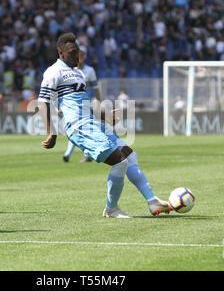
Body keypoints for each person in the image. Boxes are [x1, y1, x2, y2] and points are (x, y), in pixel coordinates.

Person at [38, 33, 171, 218]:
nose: (77, 57)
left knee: (130, 156)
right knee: (120, 161)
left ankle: (152, 200)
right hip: (79, 128)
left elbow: (83, 105)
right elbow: (42, 102)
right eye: (72, 52)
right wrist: (51, 132)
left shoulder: (79, 74)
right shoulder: (53, 72)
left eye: (78, 52)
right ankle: (112, 209)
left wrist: (104, 115)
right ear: (61, 53)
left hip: (91, 123)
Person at [62, 45, 100, 163]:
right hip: (73, 104)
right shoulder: (69, 71)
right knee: (75, 129)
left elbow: (96, 88)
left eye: (81, 56)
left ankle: (72, 154)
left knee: (78, 129)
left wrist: (100, 102)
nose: (79, 59)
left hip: (86, 104)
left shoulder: (90, 71)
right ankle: (85, 154)